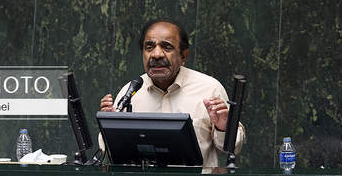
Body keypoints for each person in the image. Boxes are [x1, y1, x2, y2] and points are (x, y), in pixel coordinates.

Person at [99, 19, 246, 167]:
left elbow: (233, 148)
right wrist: (109, 126)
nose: (156, 54)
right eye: (149, 47)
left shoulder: (209, 89)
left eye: (166, 47)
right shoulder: (131, 92)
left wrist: (223, 127)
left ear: (183, 56)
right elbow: (107, 150)